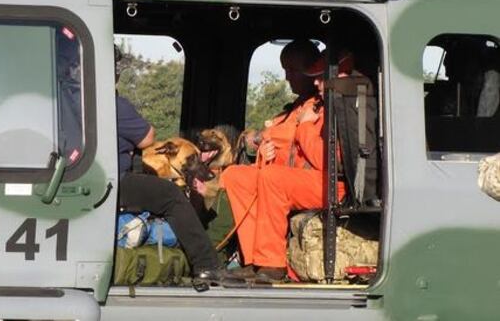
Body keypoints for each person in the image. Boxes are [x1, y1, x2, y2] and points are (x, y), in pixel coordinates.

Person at [221, 47, 350, 282]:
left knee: (273, 178)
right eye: (315, 75)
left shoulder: (342, 108)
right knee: (235, 176)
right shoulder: (314, 105)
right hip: (308, 178)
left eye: (322, 76)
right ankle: (253, 260)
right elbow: (293, 150)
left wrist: (303, 127)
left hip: (333, 183)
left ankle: (271, 264)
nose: (316, 82)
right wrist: (267, 150)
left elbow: (325, 160)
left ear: (340, 77)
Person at [114, 46, 230, 288]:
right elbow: (147, 139)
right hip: (114, 180)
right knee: (170, 194)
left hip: (94, 177)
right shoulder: (110, 102)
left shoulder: (68, 95)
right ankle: (208, 265)